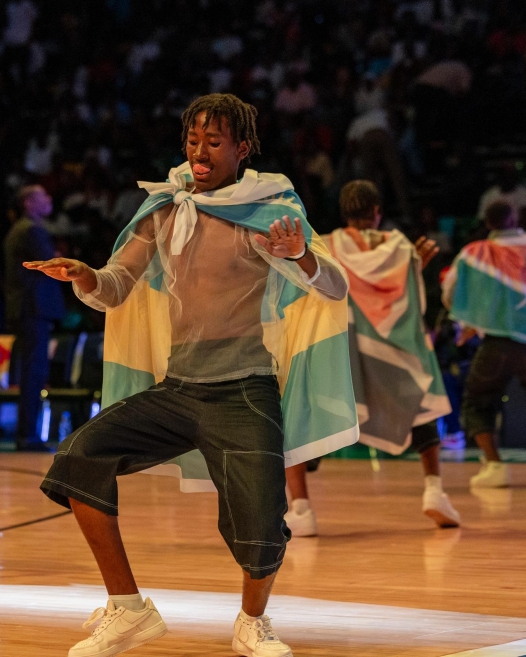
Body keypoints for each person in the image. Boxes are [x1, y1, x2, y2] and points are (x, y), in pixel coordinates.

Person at [25, 94, 356, 657]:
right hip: (178, 390)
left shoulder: (270, 208)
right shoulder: (164, 207)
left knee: (262, 523)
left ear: (242, 149)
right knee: (79, 459)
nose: (199, 152)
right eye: (193, 140)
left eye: (214, 142)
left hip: (244, 389)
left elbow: (335, 286)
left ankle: (253, 621)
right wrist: (85, 276)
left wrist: (300, 254)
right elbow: (116, 286)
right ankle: (128, 609)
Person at [284, 180, 460, 538]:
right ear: (377, 212)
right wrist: (415, 265)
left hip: (342, 353)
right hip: (393, 355)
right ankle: (434, 490)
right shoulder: (401, 247)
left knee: (299, 417)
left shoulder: (326, 244)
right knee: (423, 403)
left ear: (343, 212)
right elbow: (413, 303)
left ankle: (301, 508)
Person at [443, 201, 526, 488]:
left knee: (477, 400)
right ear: (515, 218)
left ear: (488, 223)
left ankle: (495, 467)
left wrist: (473, 321)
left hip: (494, 343)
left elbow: (451, 293)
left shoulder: (473, 254)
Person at [3, 184, 65, 451]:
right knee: (34, 372)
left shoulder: (19, 229)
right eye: (42, 196)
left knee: (31, 370)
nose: (49, 199)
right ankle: (27, 434)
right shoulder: (31, 230)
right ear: (28, 203)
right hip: (33, 308)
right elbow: (51, 264)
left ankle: (26, 432)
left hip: (25, 309)